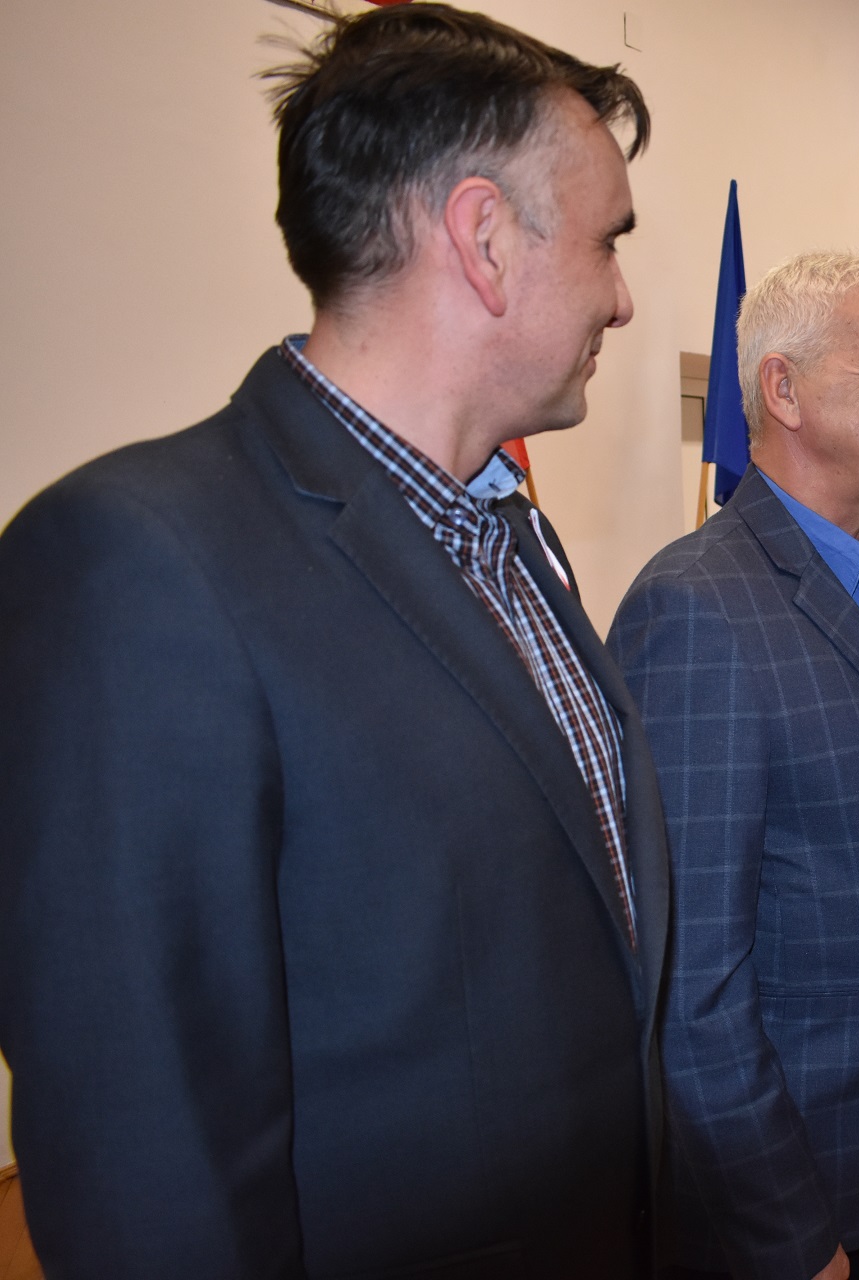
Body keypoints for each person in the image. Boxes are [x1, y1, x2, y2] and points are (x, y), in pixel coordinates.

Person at [0, 8, 670, 1277]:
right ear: (484, 239)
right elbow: (149, 1151)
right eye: (607, 241)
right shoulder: (141, 560)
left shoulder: (505, 531)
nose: (622, 297)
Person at [608, 251, 859, 1280]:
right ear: (782, 389)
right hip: (797, 1180)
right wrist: (783, 1226)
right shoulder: (698, 607)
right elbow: (688, 977)